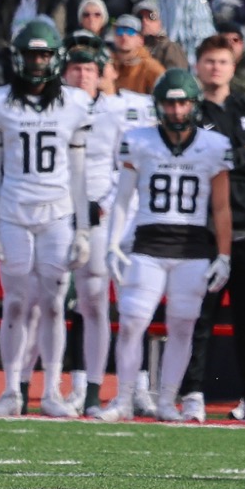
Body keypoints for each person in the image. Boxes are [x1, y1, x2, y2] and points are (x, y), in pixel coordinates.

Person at [101, 69, 233, 422]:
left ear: (194, 104)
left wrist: (224, 254)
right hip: (148, 243)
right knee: (131, 322)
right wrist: (114, 243)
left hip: (191, 248)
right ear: (158, 105)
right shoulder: (138, 140)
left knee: (182, 326)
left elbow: (221, 206)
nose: (176, 110)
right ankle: (124, 399)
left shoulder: (214, 145)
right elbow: (123, 198)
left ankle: (166, 401)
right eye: (169, 103)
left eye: (182, 103)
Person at [0, 20, 95, 418]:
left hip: (57, 214)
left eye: (44, 54)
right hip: (13, 213)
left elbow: (79, 173)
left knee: (53, 304)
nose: (38, 62)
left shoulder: (75, 104)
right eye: (32, 54)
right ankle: (11, 389)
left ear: (57, 58)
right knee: (15, 303)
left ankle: (51, 391)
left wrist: (84, 229)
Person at [169, 33, 245, 423]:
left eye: (222, 61)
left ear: (232, 65)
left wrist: (230, 157)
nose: (215, 68)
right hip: (202, 231)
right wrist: (243, 154)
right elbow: (198, 161)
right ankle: (192, 392)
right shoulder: (188, 109)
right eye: (209, 61)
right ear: (198, 65)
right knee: (198, 318)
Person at [63, 40, 148, 416]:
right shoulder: (53, 108)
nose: (82, 76)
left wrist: (102, 206)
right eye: (76, 69)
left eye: (90, 70)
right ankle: (53, 385)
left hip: (98, 213)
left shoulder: (116, 112)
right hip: (53, 210)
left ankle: (100, 387)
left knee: (99, 300)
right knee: (41, 303)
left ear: (102, 75)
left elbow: (122, 168)